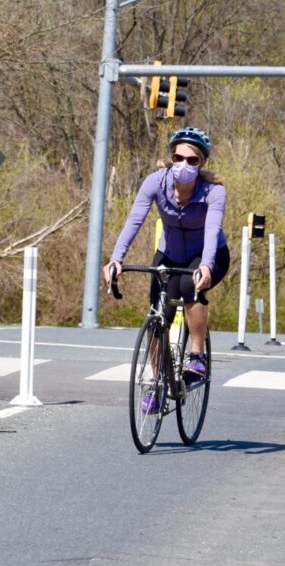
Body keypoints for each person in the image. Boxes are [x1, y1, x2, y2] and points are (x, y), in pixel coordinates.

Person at [104, 126, 230, 386]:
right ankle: (160, 382)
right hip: (170, 253)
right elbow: (134, 220)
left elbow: (211, 231)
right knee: (158, 314)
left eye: (192, 160)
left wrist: (206, 266)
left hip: (209, 254)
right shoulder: (155, 182)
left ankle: (197, 357)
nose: (184, 164)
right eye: (178, 157)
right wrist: (116, 259)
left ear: (202, 162)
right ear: (171, 157)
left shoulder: (213, 192)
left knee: (189, 286)